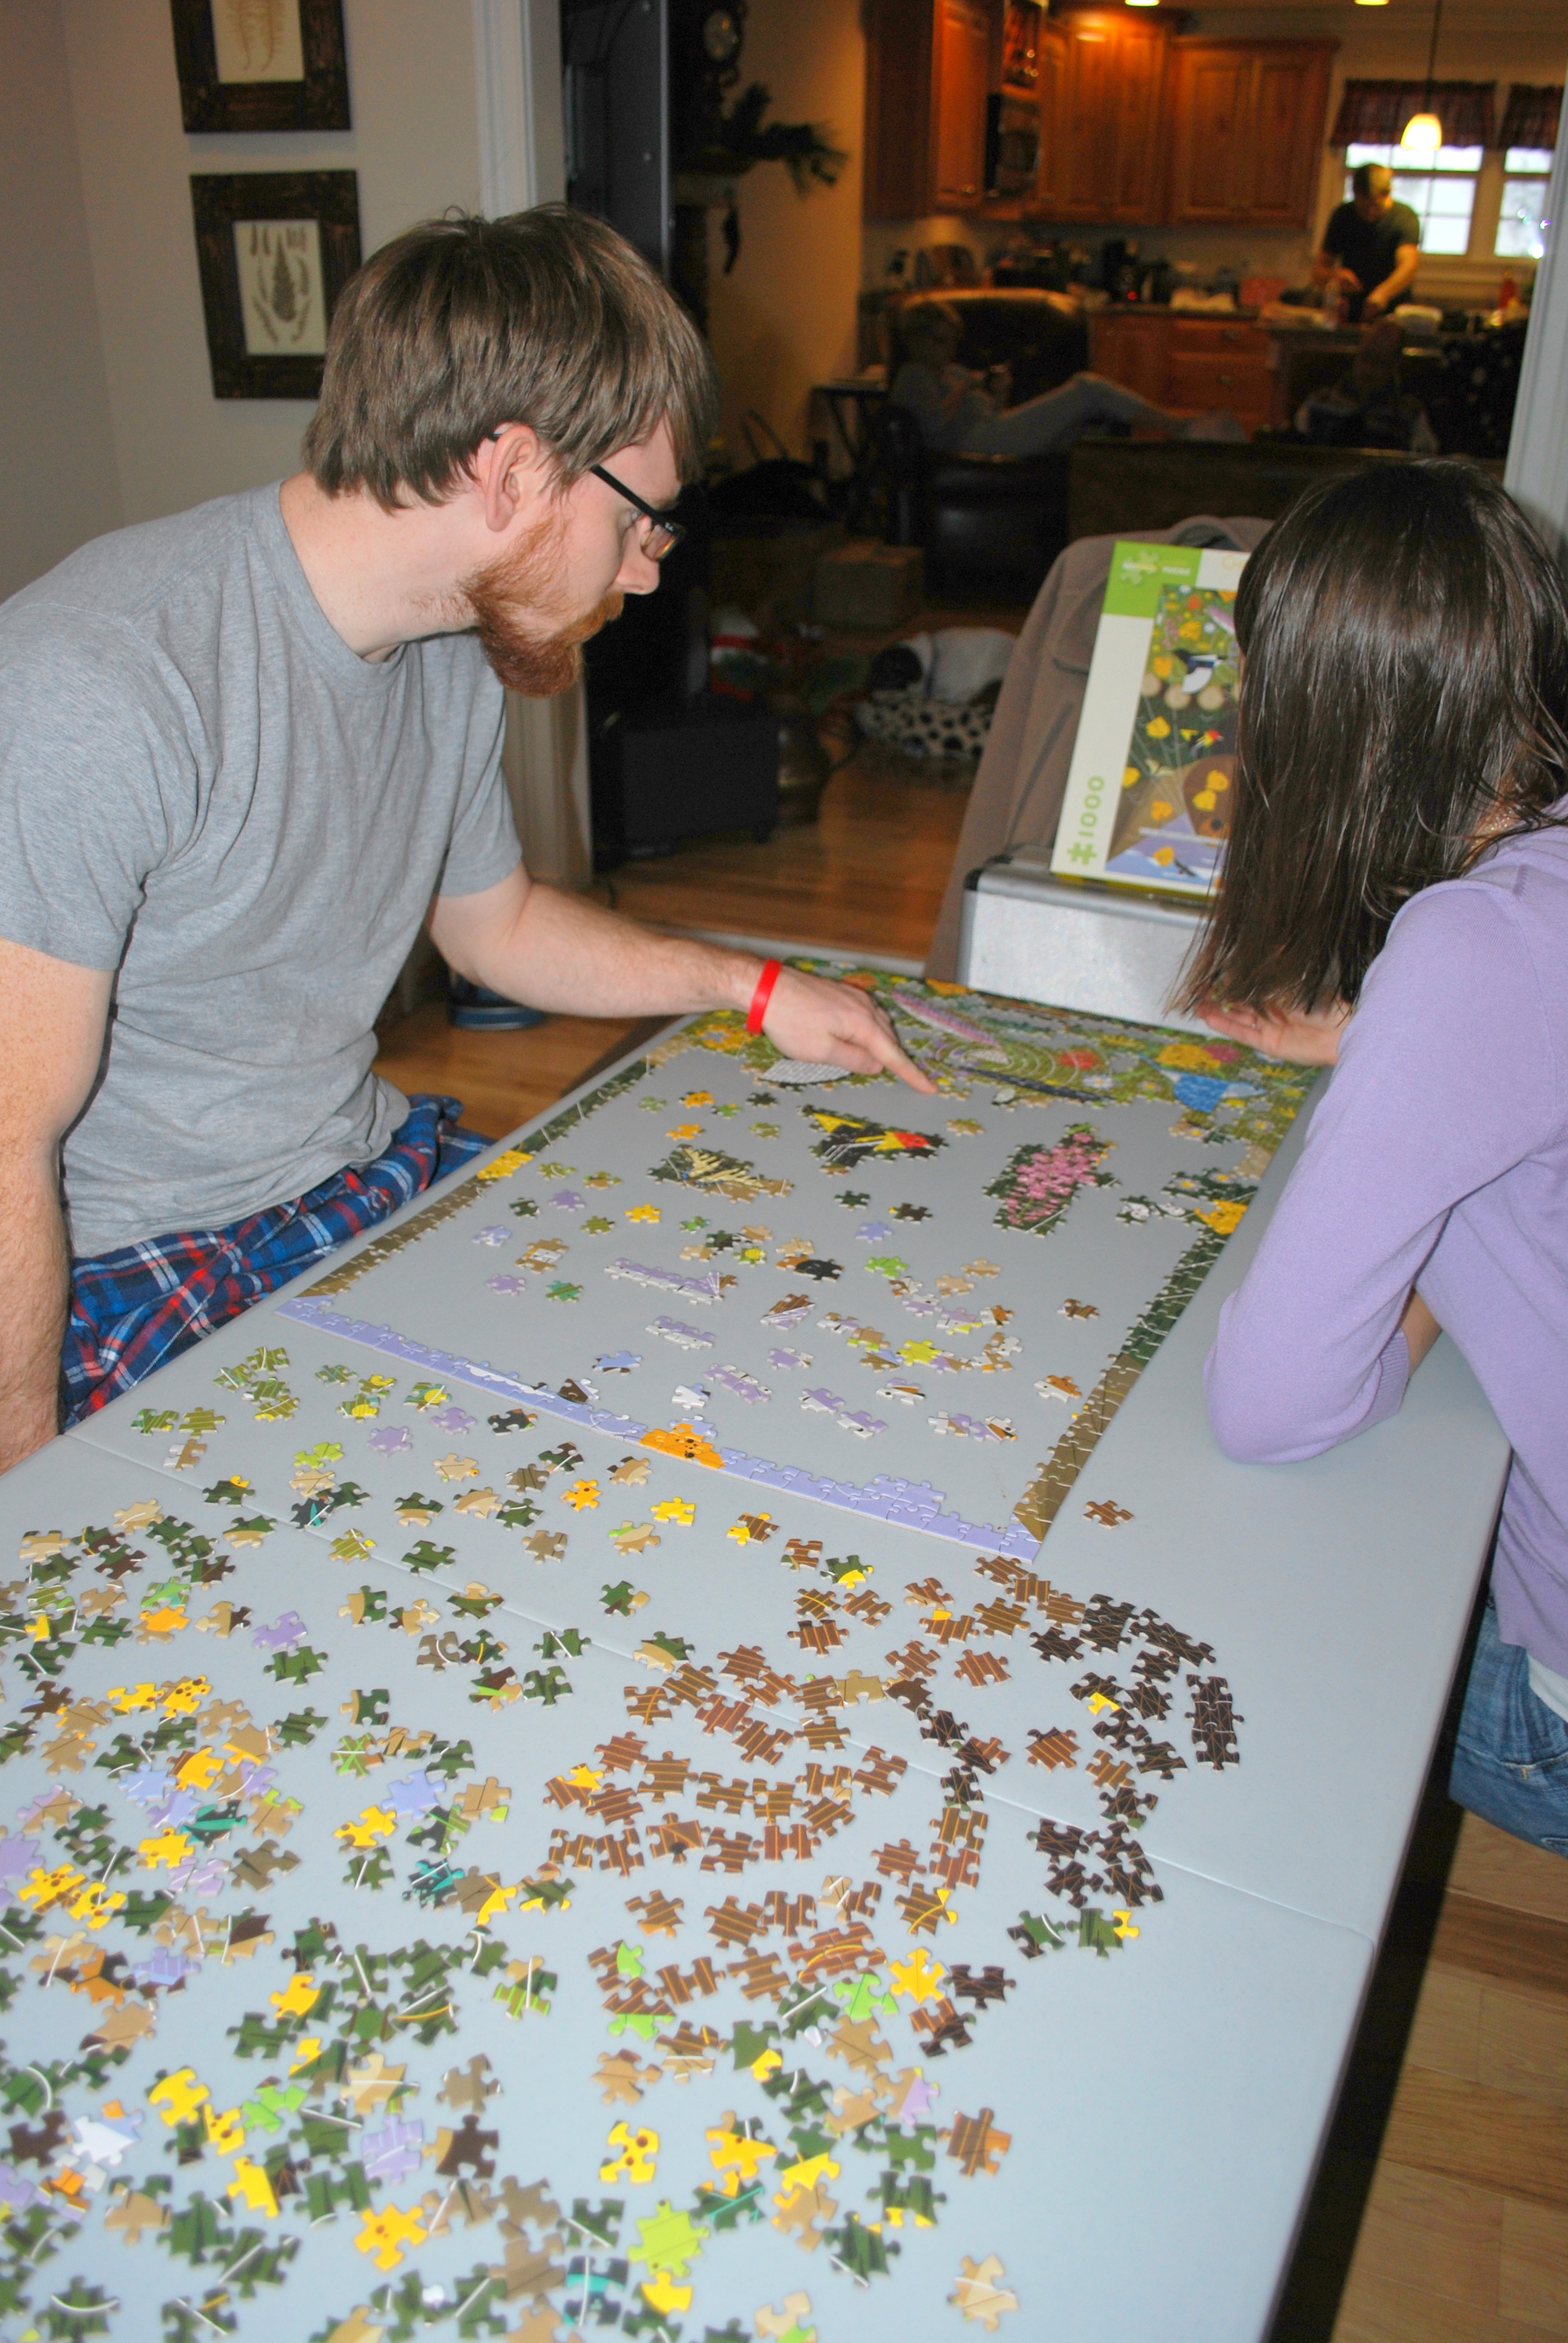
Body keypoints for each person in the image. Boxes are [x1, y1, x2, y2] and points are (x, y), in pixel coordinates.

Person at [0, 206, 932, 1473]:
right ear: (511, 471)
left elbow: (497, 928)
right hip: (132, 1261)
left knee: (710, 1333)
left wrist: (753, 986)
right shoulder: (99, 680)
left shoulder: (450, 647)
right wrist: (33, 1505)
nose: (647, 571)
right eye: (640, 520)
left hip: (349, 1172)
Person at [1186, 461, 1568, 1855]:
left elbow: (1272, 1403)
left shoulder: (1472, 956)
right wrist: (1381, 1049)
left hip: (1552, 1707)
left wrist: (1411, 1304)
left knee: (1215, 1612)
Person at [889, 301, 1243, 456]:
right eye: (939, 340)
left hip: (991, 432)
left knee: (1090, 437)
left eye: (952, 340)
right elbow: (932, 425)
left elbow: (994, 414)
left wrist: (999, 394)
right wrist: (965, 387)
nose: (948, 349)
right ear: (917, 340)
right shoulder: (914, 375)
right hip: (969, 444)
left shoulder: (953, 371)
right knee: (1086, 388)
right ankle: (1179, 427)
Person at [1315, 161, 1421, 323]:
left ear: (1388, 193)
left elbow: (1409, 265)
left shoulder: (1404, 218)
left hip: (1392, 317)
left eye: (1375, 206)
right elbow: (1319, 270)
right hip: (1349, 314)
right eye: (1363, 208)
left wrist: (1383, 293)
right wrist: (1335, 276)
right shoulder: (1343, 216)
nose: (1370, 214)